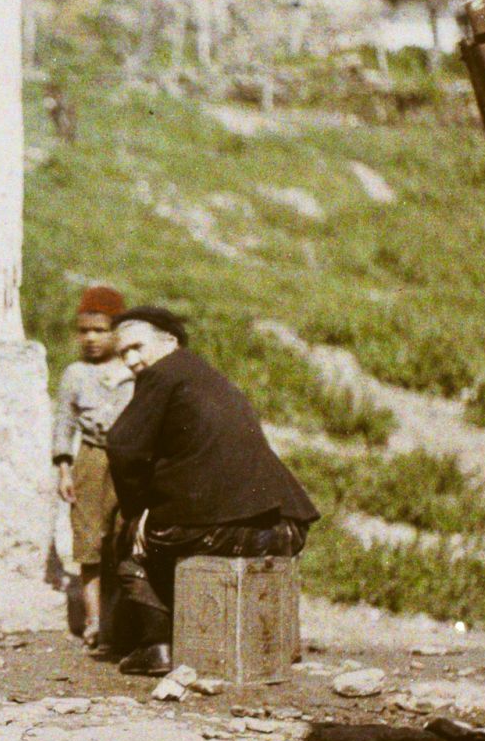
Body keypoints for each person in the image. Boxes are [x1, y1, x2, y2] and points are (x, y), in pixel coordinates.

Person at [103, 305, 318, 676]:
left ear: (170, 341)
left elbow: (122, 447)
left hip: (218, 528)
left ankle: (157, 646)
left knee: (130, 544)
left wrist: (137, 512)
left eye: (137, 347)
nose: (132, 360)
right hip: (283, 528)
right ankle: (273, 643)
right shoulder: (210, 377)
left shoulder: (161, 374)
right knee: (162, 537)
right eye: (123, 354)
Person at [52, 285, 133, 648]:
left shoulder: (133, 369)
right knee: (88, 540)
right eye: (84, 331)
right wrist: (64, 470)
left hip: (128, 463)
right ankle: (95, 621)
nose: (91, 339)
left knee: (123, 536)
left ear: (117, 332)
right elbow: (64, 423)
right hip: (90, 459)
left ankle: (124, 621)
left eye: (100, 330)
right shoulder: (75, 374)